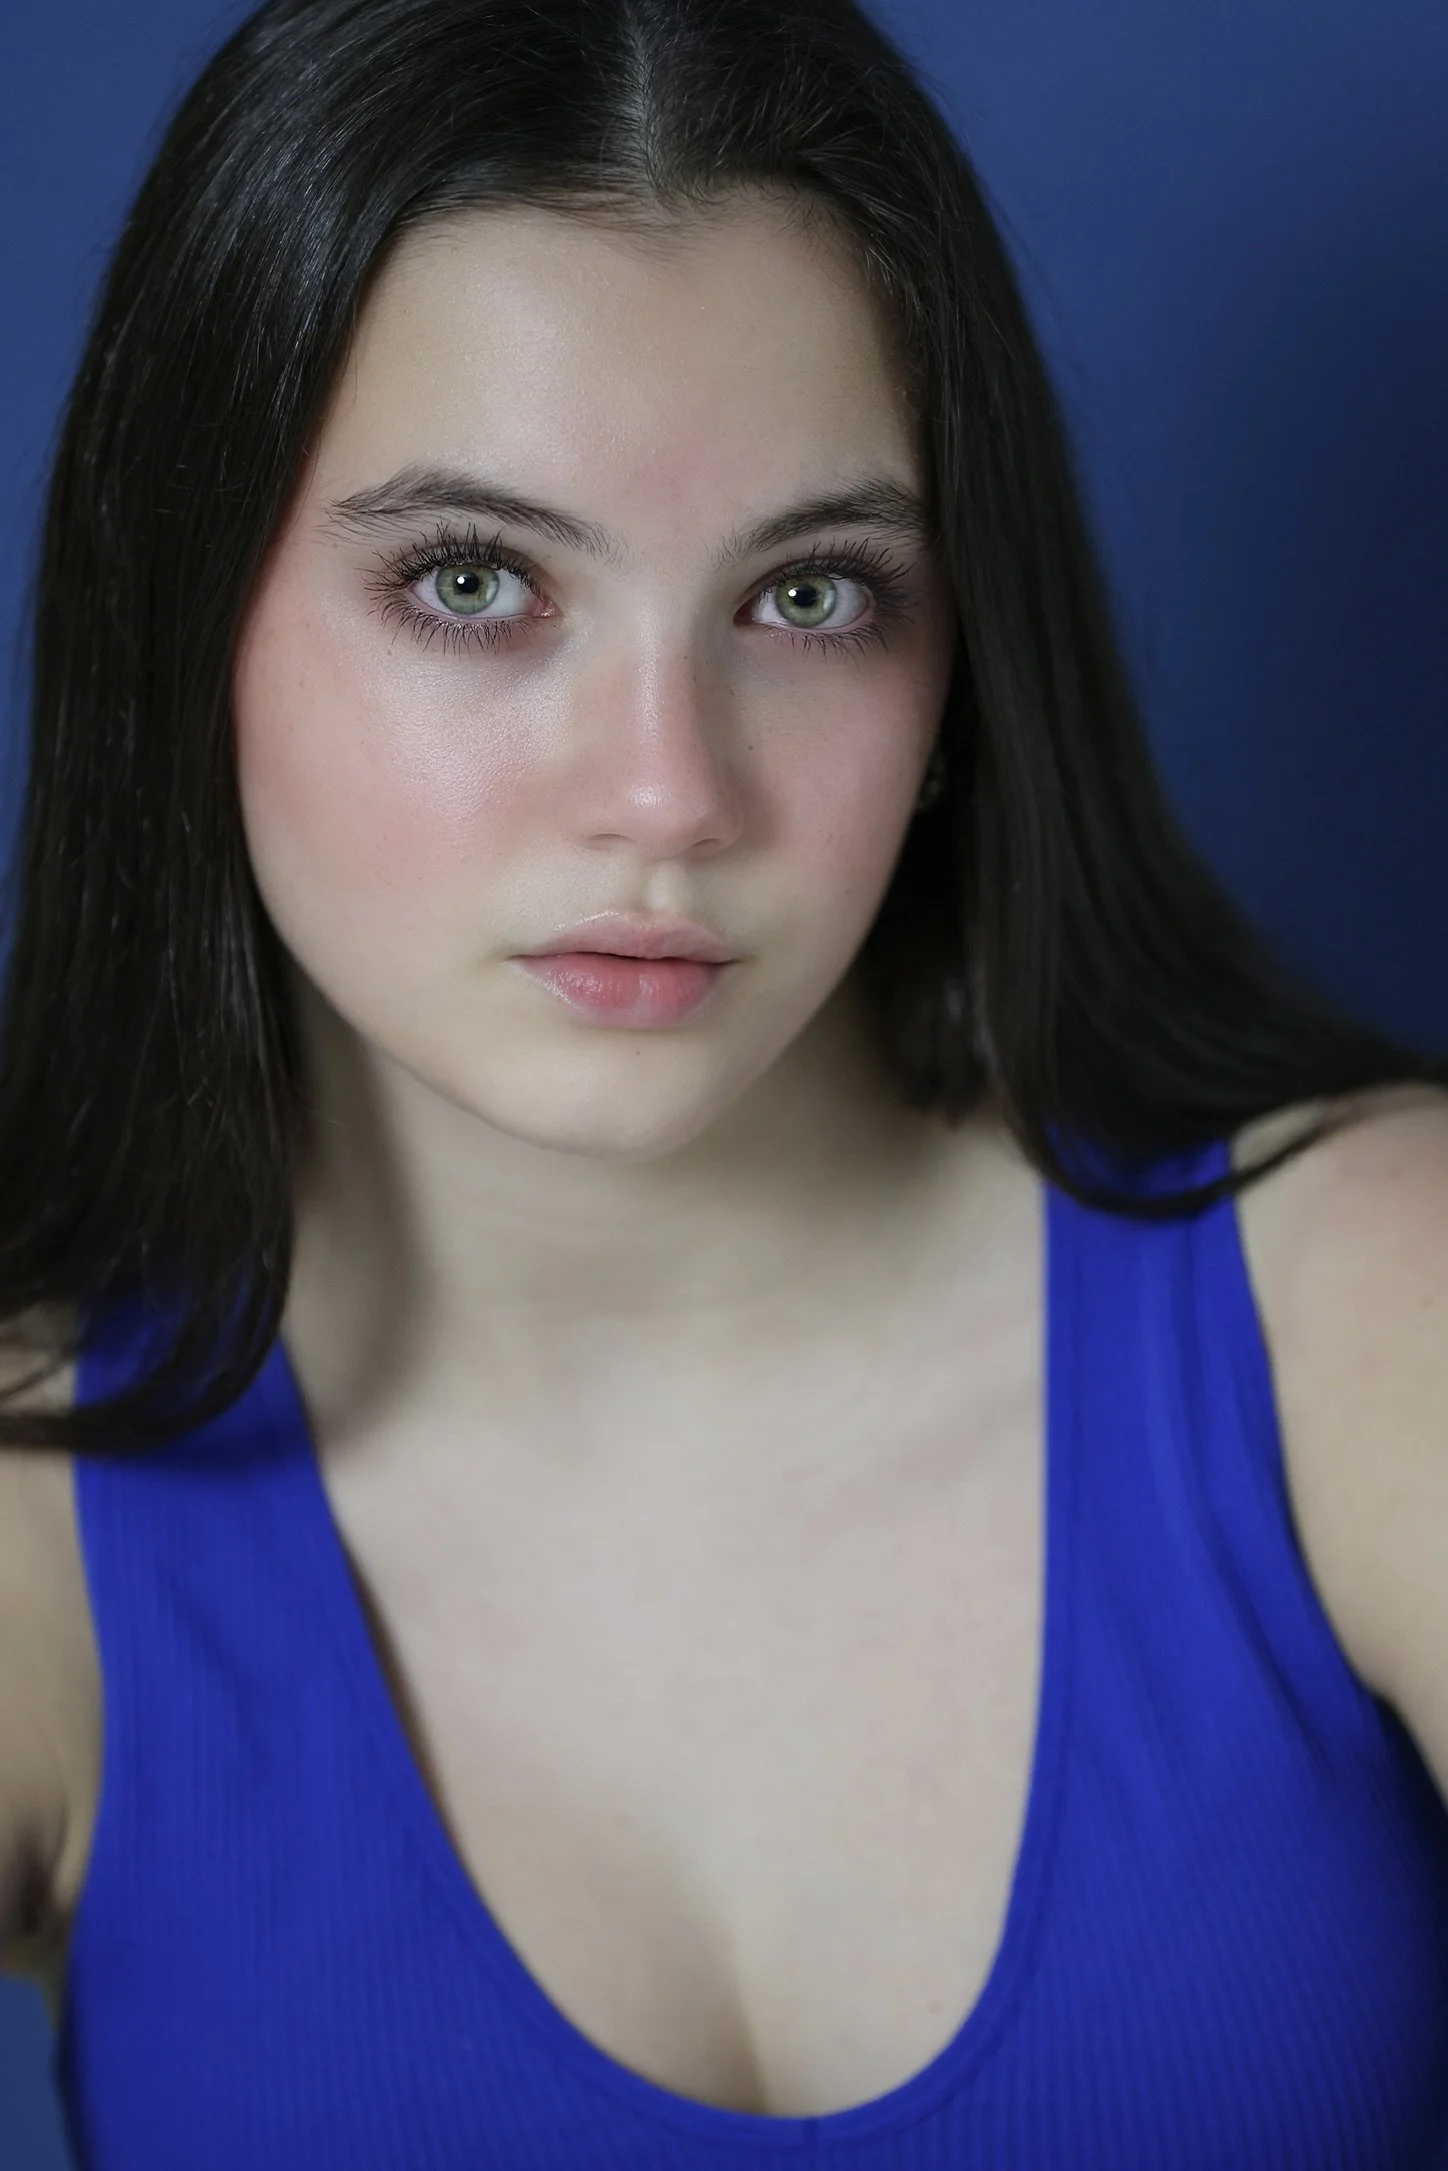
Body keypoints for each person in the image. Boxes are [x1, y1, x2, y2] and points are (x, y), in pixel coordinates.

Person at [2, 0, 1448, 2160]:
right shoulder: (37, 1520)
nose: (670, 792)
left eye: (808, 593)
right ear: (175, 614)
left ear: (960, 660)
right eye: (474, 581)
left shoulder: (1367, 1303)